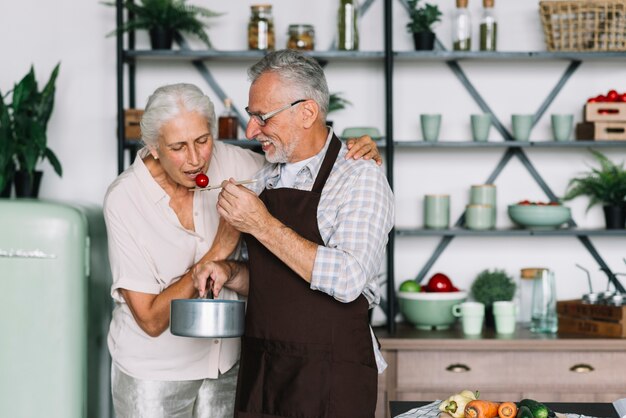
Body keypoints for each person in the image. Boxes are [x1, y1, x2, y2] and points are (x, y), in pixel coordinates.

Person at [103, 82, 382, 418]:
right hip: (155, 373)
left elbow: (302, 159)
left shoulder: (244, 167)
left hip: (229, 367)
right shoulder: (125, 199)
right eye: (178, 147)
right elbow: (149, 320)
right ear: (153, 147)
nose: (195, 160)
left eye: (203, 141)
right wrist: (219, 250)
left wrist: (356, 152)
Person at [193, 50, 395, 418]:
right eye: (251, 116)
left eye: (262, 117)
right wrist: (231, 273)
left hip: (330, 375)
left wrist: (261, 224)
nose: (251, 131)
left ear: (307, 112)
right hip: (264, 369)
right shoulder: (266, 175)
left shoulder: (359, 176)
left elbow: (348, 278)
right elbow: (280, 282)